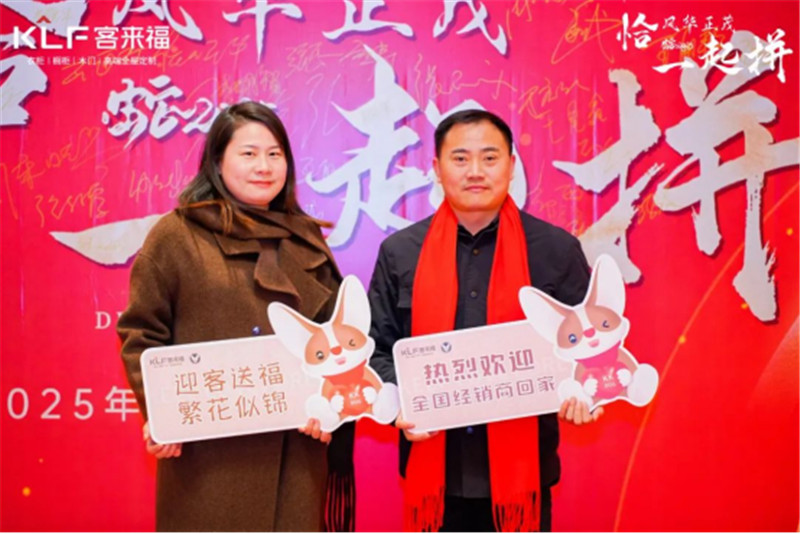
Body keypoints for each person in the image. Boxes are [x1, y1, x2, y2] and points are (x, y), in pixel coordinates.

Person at [117, 101, 354, 532]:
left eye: (274, 154)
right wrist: (163, 412)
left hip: (295, 457)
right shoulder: (177, 235)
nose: (263, 166)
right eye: (248, 153)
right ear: (217, 162)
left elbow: (336, 339)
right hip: (206, 458)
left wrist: (331, 403)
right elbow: (141, 332)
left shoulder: (307, 240)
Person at [367, 109, 603, 532]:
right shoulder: (400, 253)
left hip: (523, 479)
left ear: (511, 166)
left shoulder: (556, 250)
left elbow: (591, 349)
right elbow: (375, 350)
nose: (475, 171)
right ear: (437, 168)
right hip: (434, 476)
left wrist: (587, 390)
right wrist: (402, 402)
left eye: (489, 158)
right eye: (460, 159)